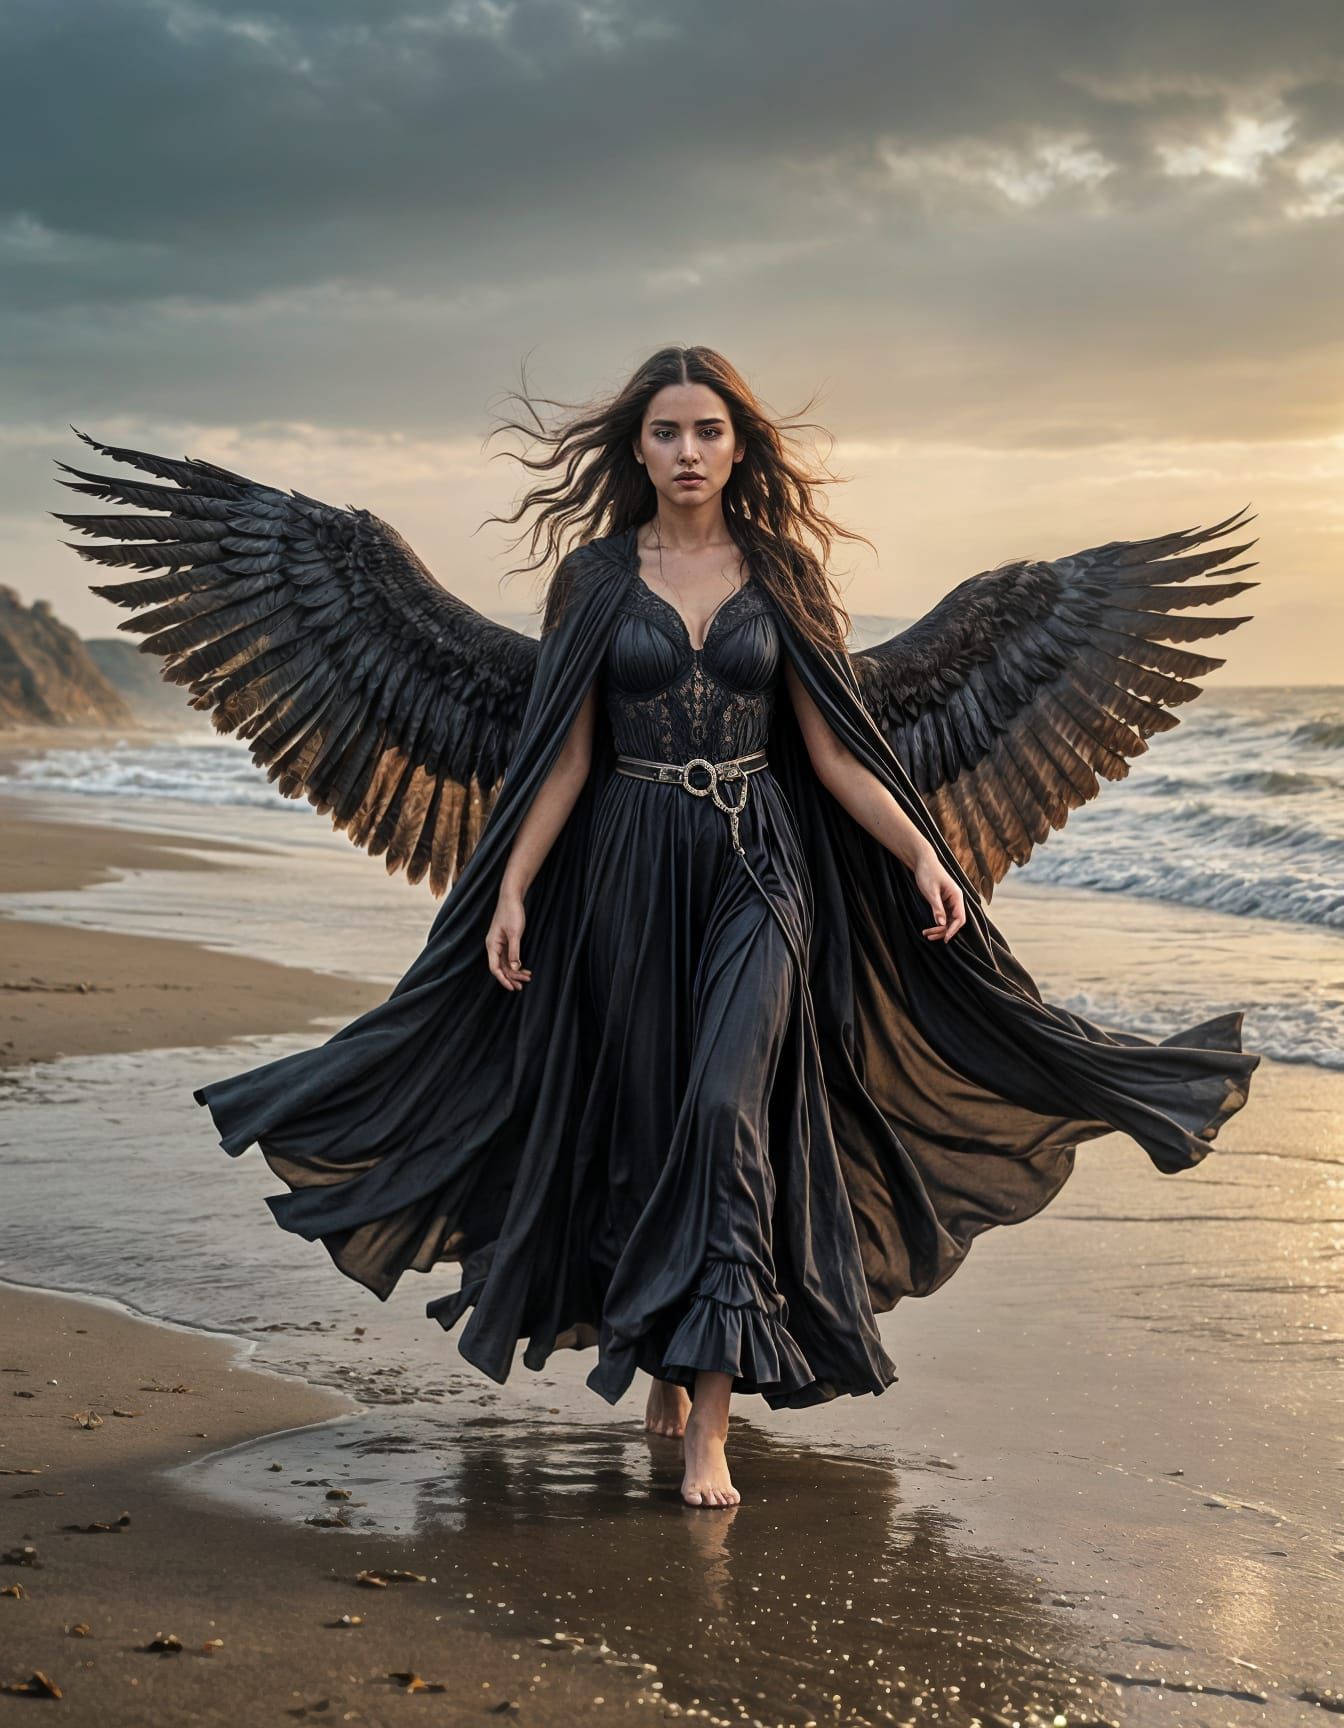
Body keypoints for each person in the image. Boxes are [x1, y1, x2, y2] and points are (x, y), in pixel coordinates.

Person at [62, 346, 1260, 1510]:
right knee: (647, 1126)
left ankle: (710, 1432)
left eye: (709, 430)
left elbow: (839, 749)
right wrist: (513, 887)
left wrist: (924, 856)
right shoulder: (593, 580)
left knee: (725, 1110)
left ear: (740, 447)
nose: (688, 450)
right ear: (637, 447)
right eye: (667, 430)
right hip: (629, 875)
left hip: (761, 874)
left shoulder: (782, 574)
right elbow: (565, 754)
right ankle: (666, 1356)